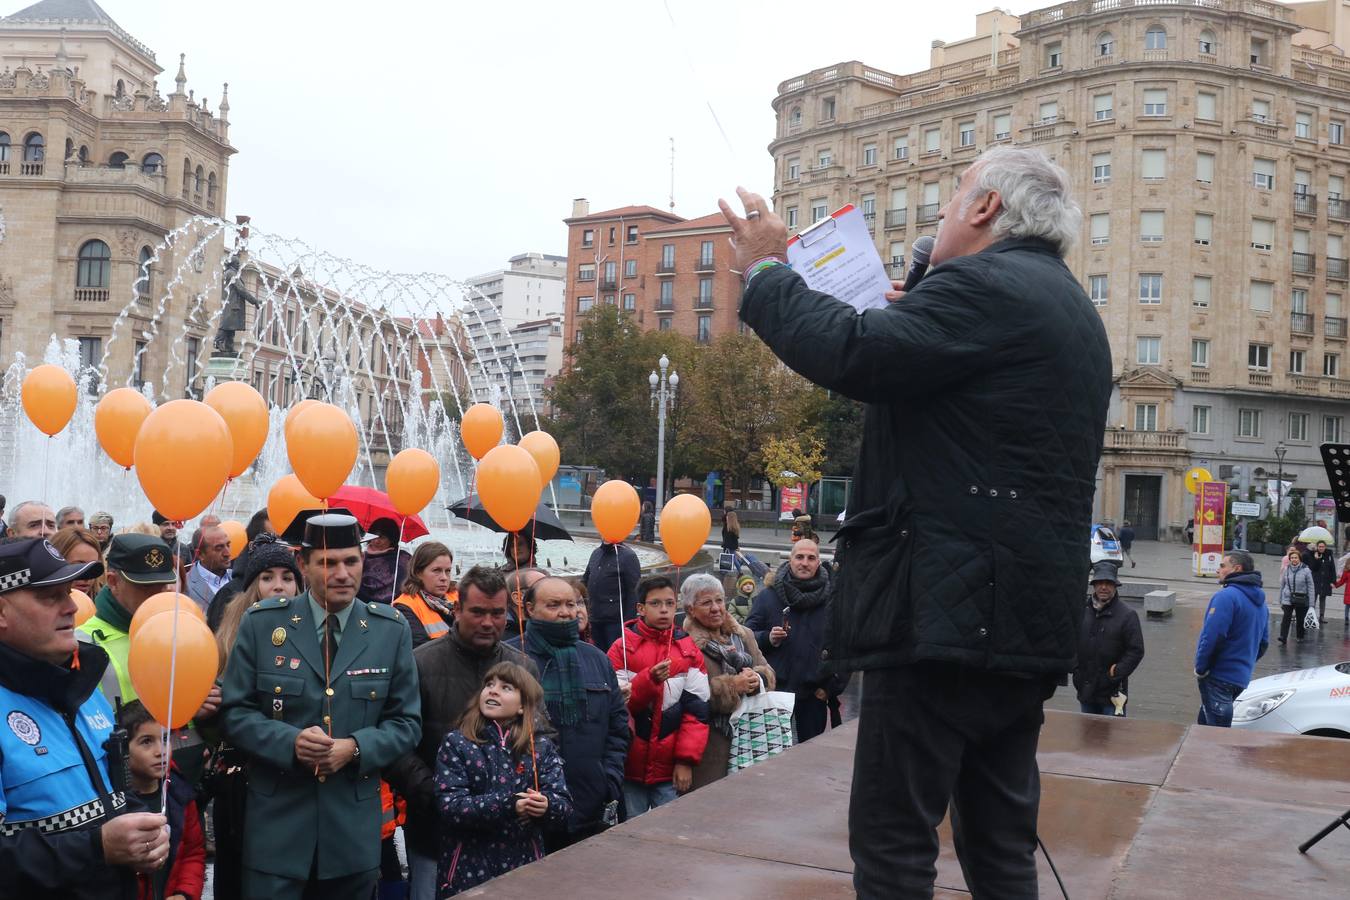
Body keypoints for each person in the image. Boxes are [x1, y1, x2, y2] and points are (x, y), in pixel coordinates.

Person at [719, 145, 1113, 898]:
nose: (942, 211)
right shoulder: (1064, 303)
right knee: (999, 842)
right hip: (1021, 620)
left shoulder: (988, 287)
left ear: (986, 208)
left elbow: (853, 351)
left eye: (955, 193)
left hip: (942, 616)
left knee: (895, 841)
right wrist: (927, 304)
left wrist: (770, 272)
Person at [219, 510, 421, 900]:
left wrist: (357, 747)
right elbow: (235, 712)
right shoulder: (262, 625)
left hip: (350, 836)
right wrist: (289, 742)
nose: (342, 574)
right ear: (303, 564)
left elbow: (407, 723)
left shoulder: (389, 630)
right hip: (276, 835)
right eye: (328, 563)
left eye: (351, 561)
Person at [0, 537, 171, 899]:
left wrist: (145, 832)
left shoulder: (84, 685)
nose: (72, 608)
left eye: (68, 593)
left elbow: (118, 790)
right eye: (50, 597)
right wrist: (97, 847)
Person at [384, 566, 540, 900]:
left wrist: (529, 794)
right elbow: (395, 741)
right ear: (457, 609)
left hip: (507, 834)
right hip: (436, 834)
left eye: (497, 613)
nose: (488, 622)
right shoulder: (419, 664)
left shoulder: (524, 668)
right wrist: (435, 794)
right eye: (478, 612)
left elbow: (541, 738)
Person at [207, 534, 302, 900]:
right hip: (240, 781)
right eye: (267, 577)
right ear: (252, 586)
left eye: (286, 576)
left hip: (292, 777)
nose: (278, 585)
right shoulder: (229, 635)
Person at [507, 576, 627, 849]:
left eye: (571, 604)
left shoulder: (596, 659)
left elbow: (618, 726)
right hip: (529, 810)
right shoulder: (510, 658)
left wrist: (608, 780)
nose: (565, 613)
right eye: (553, 605)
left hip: (589, 804)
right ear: (529, 609)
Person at [433, 663, 572, 896]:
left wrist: (546, 805)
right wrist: (510, 805)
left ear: (522, 706)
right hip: (468, 871)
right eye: (489, 685)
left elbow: (564, 805)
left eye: (506, 687)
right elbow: (450, 805)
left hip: (525, 870)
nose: (493, 691)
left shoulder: (540, 747)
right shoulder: (457, 743)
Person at [606, 575, 709, 816]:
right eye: (655, 603)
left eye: (670, 603)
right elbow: (619, 706)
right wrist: (649, 680)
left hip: (669, 766)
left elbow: (698, 710)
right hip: (629, 765)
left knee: (669, 828)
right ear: (640, 608)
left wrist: (686, 760)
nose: (664, 610)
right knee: (632, 828)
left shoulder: (688, 650)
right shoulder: (621, 648)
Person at [679, 573, 775, 788]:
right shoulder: (684, 644)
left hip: (749, 738)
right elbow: (688, 699)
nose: (715, 608)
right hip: (708, 746)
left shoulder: (744, 635)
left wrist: (756, 678)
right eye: (706, 602)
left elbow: (768, 672)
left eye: (719, 600)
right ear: (690, 610)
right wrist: (733, 686)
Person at [745, 539, 840, 742]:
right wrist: (768, 638)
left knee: (808, 762)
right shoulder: (768, 596)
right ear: (790, 560)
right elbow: (747, 636)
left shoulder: (833, 600)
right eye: (799, 557)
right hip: (775, 692)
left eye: (811, 558)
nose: (804, 563)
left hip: (814, 696)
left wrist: (828, 689)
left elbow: (846, 645)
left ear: (818, 563)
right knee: (771, 760)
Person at [80, 534, 183, 706]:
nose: (159, 594)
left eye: (164, 584)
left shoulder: (182, 634)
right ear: (113, 581)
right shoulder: (83, 644)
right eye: (146, 586)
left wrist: (204, 715)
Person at [118, 701, 205, 900]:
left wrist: (185, 894)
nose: (161, 751)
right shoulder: (114, 803)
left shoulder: (180, 793)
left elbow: (193, 853)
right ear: (122, 748)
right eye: (146, 741)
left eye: (165, 738)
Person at [1195, 551, 1270, 726]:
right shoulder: (1261, 602)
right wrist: (1244, 662)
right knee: (1203, 726)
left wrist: (1201, 667)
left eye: (1222, 566)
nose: (1218, 570)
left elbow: (1213, 636)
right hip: (1240, 677)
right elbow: (1264, 643)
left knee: (1216, 736)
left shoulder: (1226, 596)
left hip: (1218, 675)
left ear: (1236, 569)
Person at [1073, 563, 1145, 716]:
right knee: (1086, 735)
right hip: (1085, 689)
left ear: (1115, 586)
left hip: (1112, 693)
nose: (1104, 587)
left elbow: (1136, 651)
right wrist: (1076, 669)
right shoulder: (1082, 611)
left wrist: (1117, 672)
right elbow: (1071, 641)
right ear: (1094, 585)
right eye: (1100, 583)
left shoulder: (1127, 615)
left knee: (1112, 737)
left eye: (1108, 583)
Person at [583, 538, 640, 655]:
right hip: (595, 618)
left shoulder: (628, 556)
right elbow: (585, 580)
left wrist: (627, 623)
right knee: (598, 656)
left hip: (615, 621)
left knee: (614, 657)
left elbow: (633, 592)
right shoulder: (596, 553)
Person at [394, 541, 457, 647]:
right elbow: (421, 652)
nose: (444, 578)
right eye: (436, 570)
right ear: (418, 573)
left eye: (448, 571)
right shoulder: (404, 607)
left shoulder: (458, 595)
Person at [360, 517, 412, 604]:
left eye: (382, 537)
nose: (377, 541)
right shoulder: (359, 558)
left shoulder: (403, 559)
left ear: (392, 539)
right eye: (374, 536)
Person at [185, 525, 231, 611]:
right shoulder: (184, 586)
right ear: (200, 554)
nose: (227, 553)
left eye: (228, 545)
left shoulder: (240, 579)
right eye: (219, 548)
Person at [50, 525, 104, 598]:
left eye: (93, 567)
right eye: (78, 567)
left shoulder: (105, 604)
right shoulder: (35, 604)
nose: (87, 578)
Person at [1278, 546, 1315, 645]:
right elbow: (1282, 585)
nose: (1294, 559)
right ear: (1289, 559)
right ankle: (1283, 636)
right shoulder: (1286, 569)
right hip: (1288, 597)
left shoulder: (1306, 570)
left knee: (1300, 619)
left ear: (1299, 559)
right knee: (1286, 618)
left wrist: (1311, 603)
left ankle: (1300, 636)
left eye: (1296, 558)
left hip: (1301, 598)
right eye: (1292, 558)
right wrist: (1280, 599)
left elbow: (1311, 587)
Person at [1303, 540, 1337, 625]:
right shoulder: (1313, 554)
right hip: (1315, 580)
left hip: (1325, 580)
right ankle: (1311, 616)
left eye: (1323, 546)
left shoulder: (1329, 555)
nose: (1321, 548)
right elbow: (1312, 567)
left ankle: (1322, 616)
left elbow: (1332, 568)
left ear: (1325, 547)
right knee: (1312, 599)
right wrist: (1316, 559)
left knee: (1323, 599)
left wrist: (1333, 581)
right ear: (1317, 547)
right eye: (1320, 546)